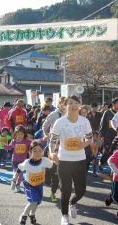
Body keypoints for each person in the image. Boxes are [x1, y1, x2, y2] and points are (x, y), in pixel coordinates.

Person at [49, 95, 93, 225]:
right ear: (65, 105)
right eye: (70, 103)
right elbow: (52, 140)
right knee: (65, 190)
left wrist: (83, 145)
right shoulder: (60, 122)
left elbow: (90, 138)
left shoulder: (84, 121)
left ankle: (72, 203)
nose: (73, 106)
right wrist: (52, 153)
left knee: (81, 190)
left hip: (80, 160)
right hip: (64, 161)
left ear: (79, 106)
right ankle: (64, 216)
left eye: (76, 103)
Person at [15, 141, 57, 225]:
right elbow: (20, 168)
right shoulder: (27, 162)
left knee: (37, 201)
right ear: (30, 152)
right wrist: (14, 177)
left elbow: (53, 164)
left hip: (39, 184)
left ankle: (32, 214)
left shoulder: (44, 160)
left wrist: (57, 159)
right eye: (35, 150)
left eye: (40, 150)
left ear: (42, 152)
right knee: (33, 202)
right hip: (29, 185)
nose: (38, 153)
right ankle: (23, 216)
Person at [42, 96, 66, 202]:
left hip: (66, 145)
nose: (64, 105)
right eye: (63, 103)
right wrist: (46, 134)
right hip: (54, 145)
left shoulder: (69, 115)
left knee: (63, 170)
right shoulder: (53, 114)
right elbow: (44, 126)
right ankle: (51, 187)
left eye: (66, 103)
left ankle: (56, 191)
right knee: (54, 169)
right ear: (59, 103)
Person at [5, 125, 31, 193]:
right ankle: (14, 180)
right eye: (18, 134)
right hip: (15, 160)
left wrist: (42, 140)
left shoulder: (26, 141)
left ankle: (17, 185)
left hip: (23, 161)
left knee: (21, 175)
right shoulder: (14, 141)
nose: (20, 136)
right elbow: (9, 147)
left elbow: (33, 142)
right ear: (15, 134)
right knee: (16, 172)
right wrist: (4, 145)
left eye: (21, 134)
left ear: (24, 134)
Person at [99, 97, 118, 168]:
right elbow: (103, 124)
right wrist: (102, 135)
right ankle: (102, 162)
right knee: (107, 151)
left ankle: (114, 167)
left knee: (117, 151)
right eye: (117, 104)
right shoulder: (107, 112)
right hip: (108, 136)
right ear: (113, 104)